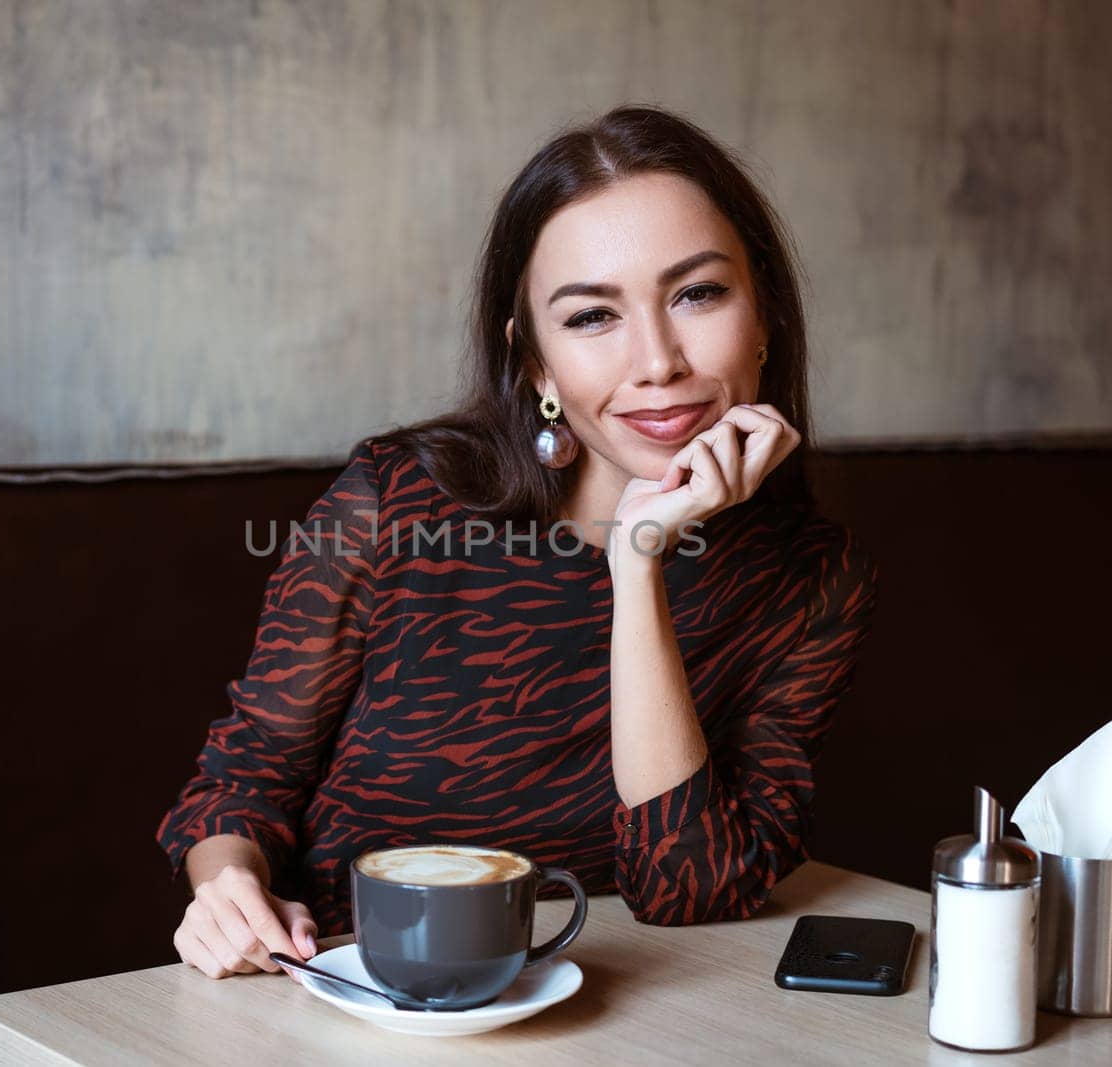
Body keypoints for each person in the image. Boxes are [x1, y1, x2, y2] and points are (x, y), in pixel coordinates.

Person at [157, 104, 879, 979]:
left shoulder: (809, 575)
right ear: (533, 361)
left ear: (760, 309)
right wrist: (227, 888)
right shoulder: (394, 500)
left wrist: (638, 559)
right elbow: (245, 774)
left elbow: (692, 889)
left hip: (615, 1013)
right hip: (340, 995)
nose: (658, 360)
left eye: (696, 293)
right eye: (590, 317)